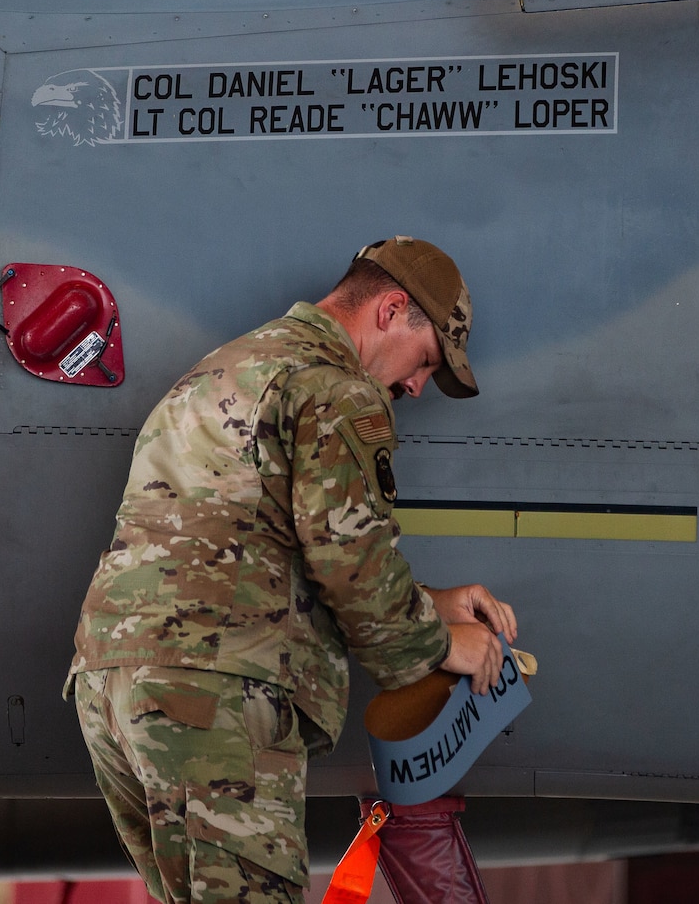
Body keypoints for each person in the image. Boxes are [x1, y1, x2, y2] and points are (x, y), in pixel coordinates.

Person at [69, 236, 518, 904]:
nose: (417, 387)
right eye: (426, 361)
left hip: (116, 687)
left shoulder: (224, 368)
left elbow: (256, 549)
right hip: (216, 695)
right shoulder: (336, 387)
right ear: (392, 309)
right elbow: (350, 563)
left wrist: (433, 601)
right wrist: (444, 643)